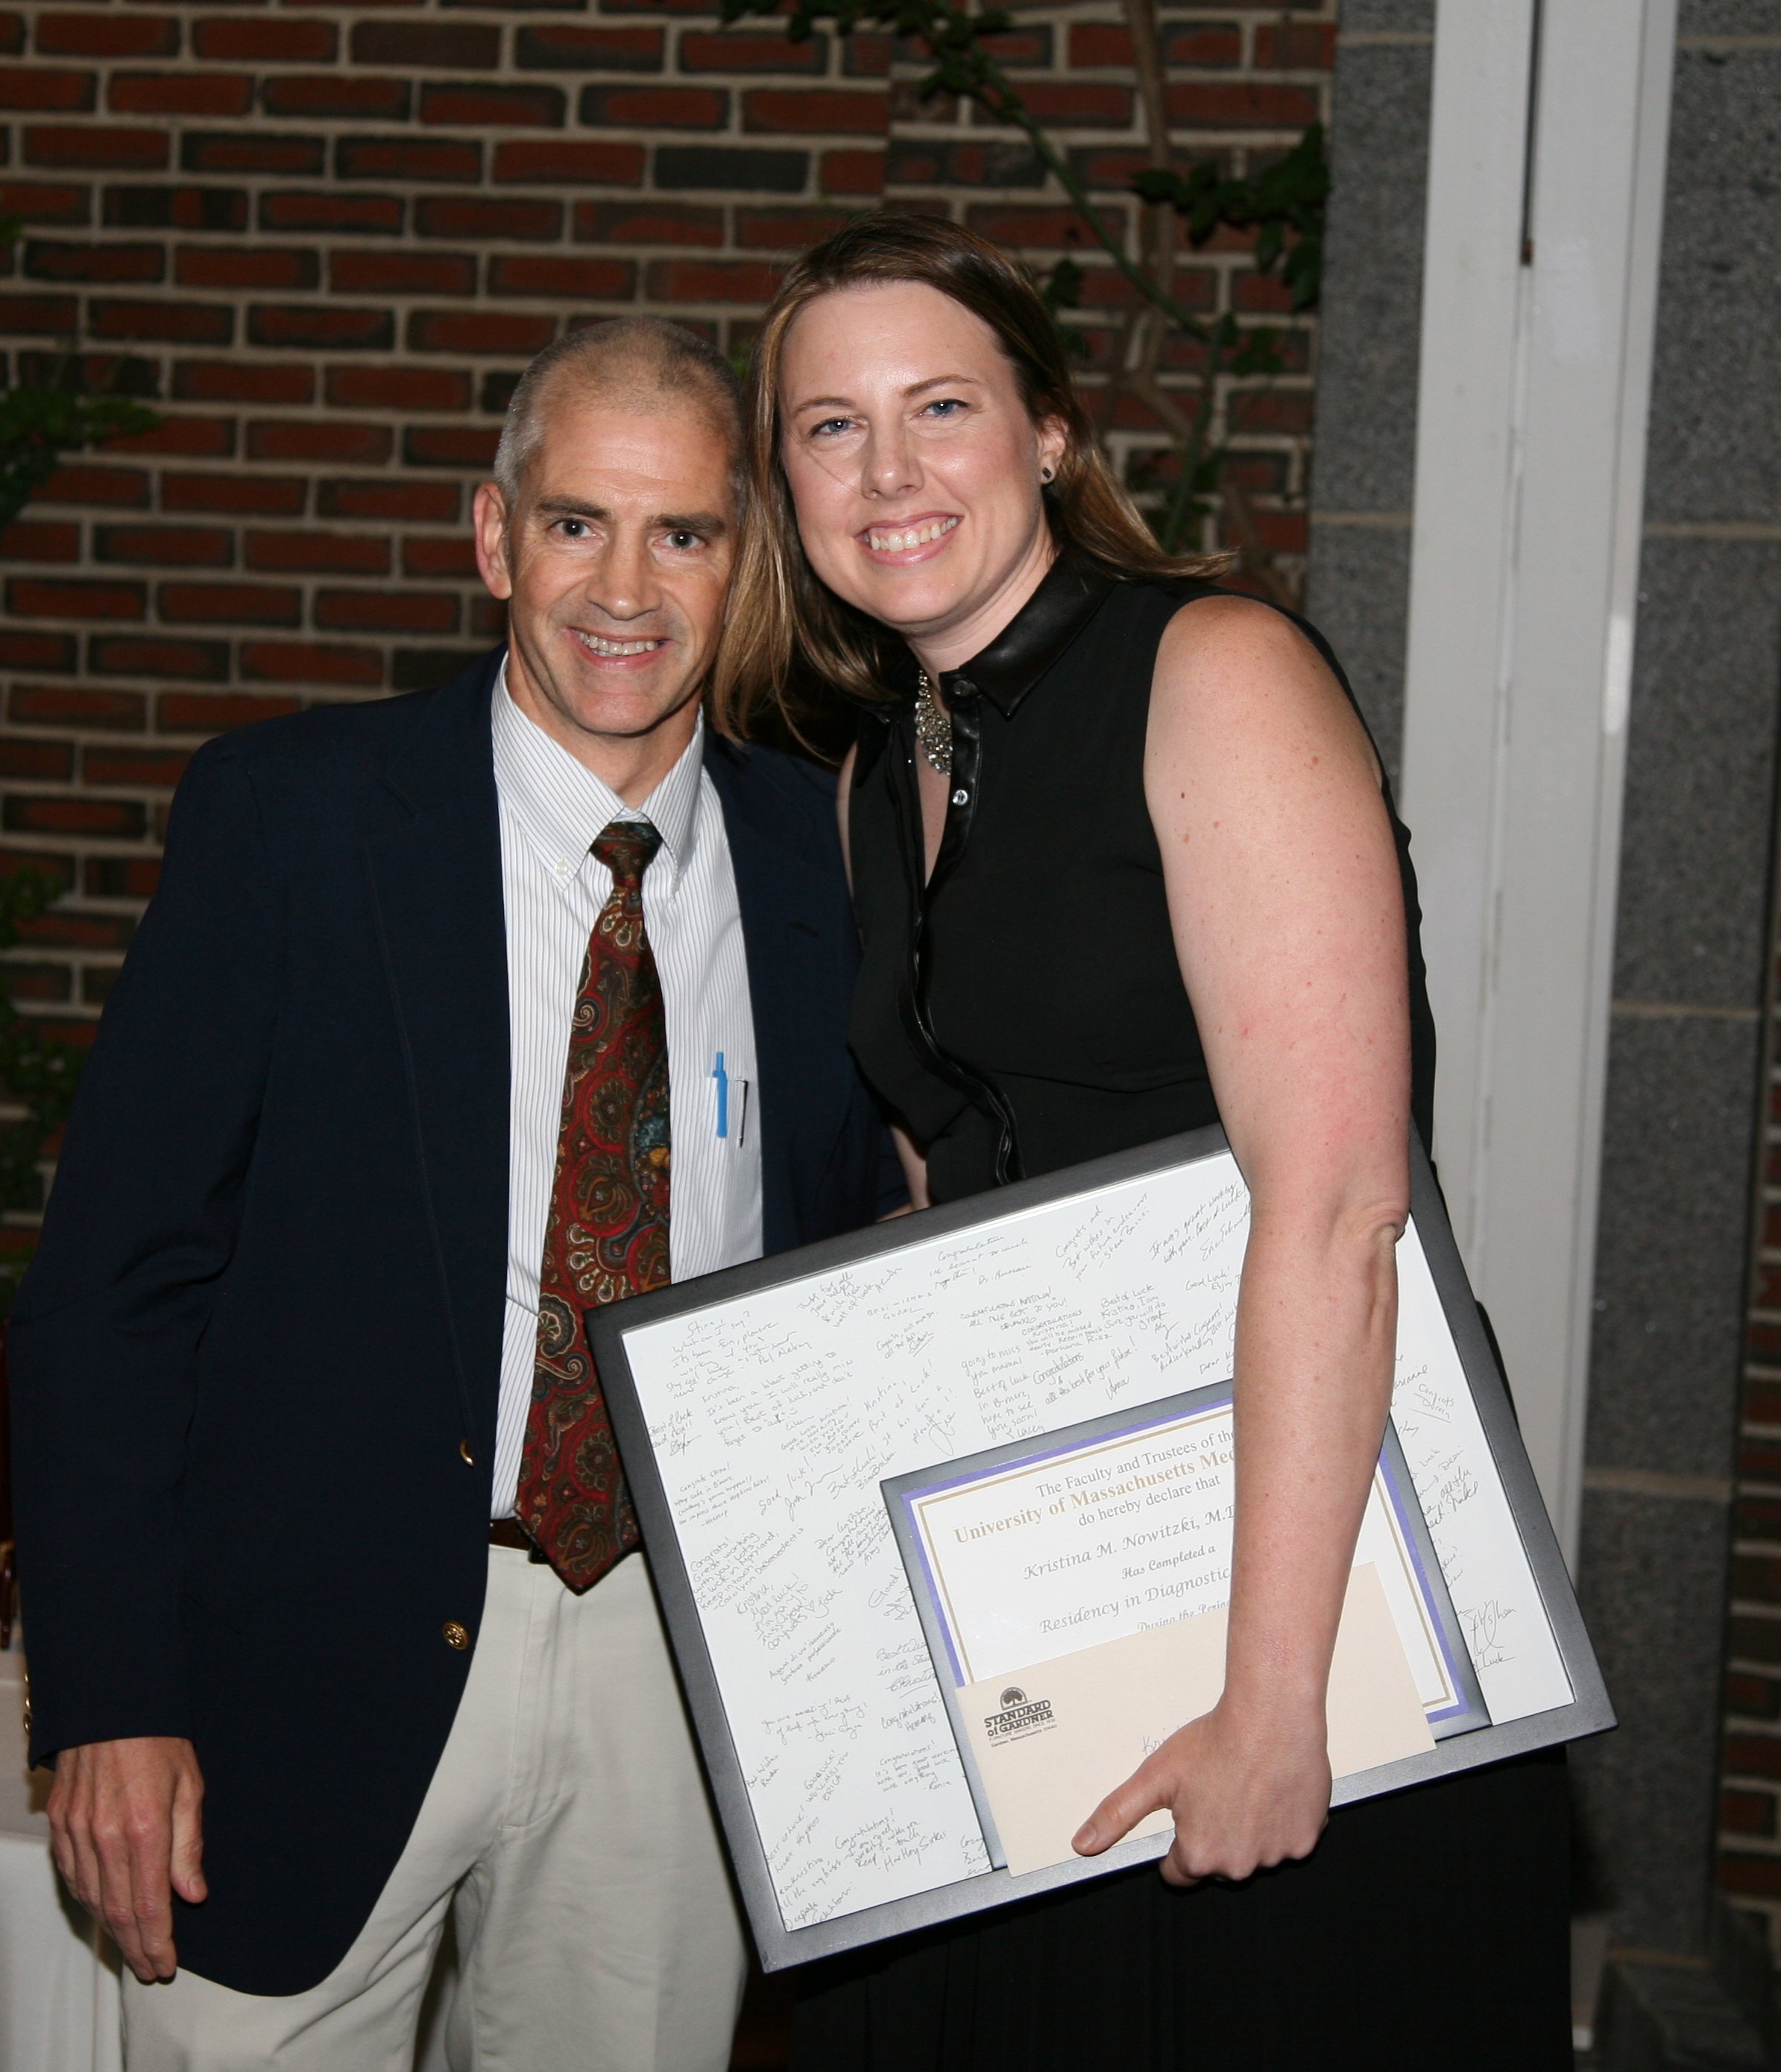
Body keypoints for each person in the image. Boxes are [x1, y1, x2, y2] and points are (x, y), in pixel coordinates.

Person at [713, 215, 1572, 2069]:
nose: (887, 470)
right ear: (786, 486)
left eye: (940, 406)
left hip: (1288, 1547)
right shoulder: (875, 771)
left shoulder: (1213, 669)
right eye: (829, 427)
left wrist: (1272, 1698)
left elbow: (1336, 1206)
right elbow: (952, 1195)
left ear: (1047, 432)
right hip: (1054, 1563)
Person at [8, 315, 898, 2071]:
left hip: (676, 1663)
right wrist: (108, 1696)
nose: (622, 589)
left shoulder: (830, 858)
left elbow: (862, 1253)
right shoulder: (293, 820)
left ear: (745, 566)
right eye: (575, 523)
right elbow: (112, 1286)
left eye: (681, 533)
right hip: (304, 1663)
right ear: (495, 537)